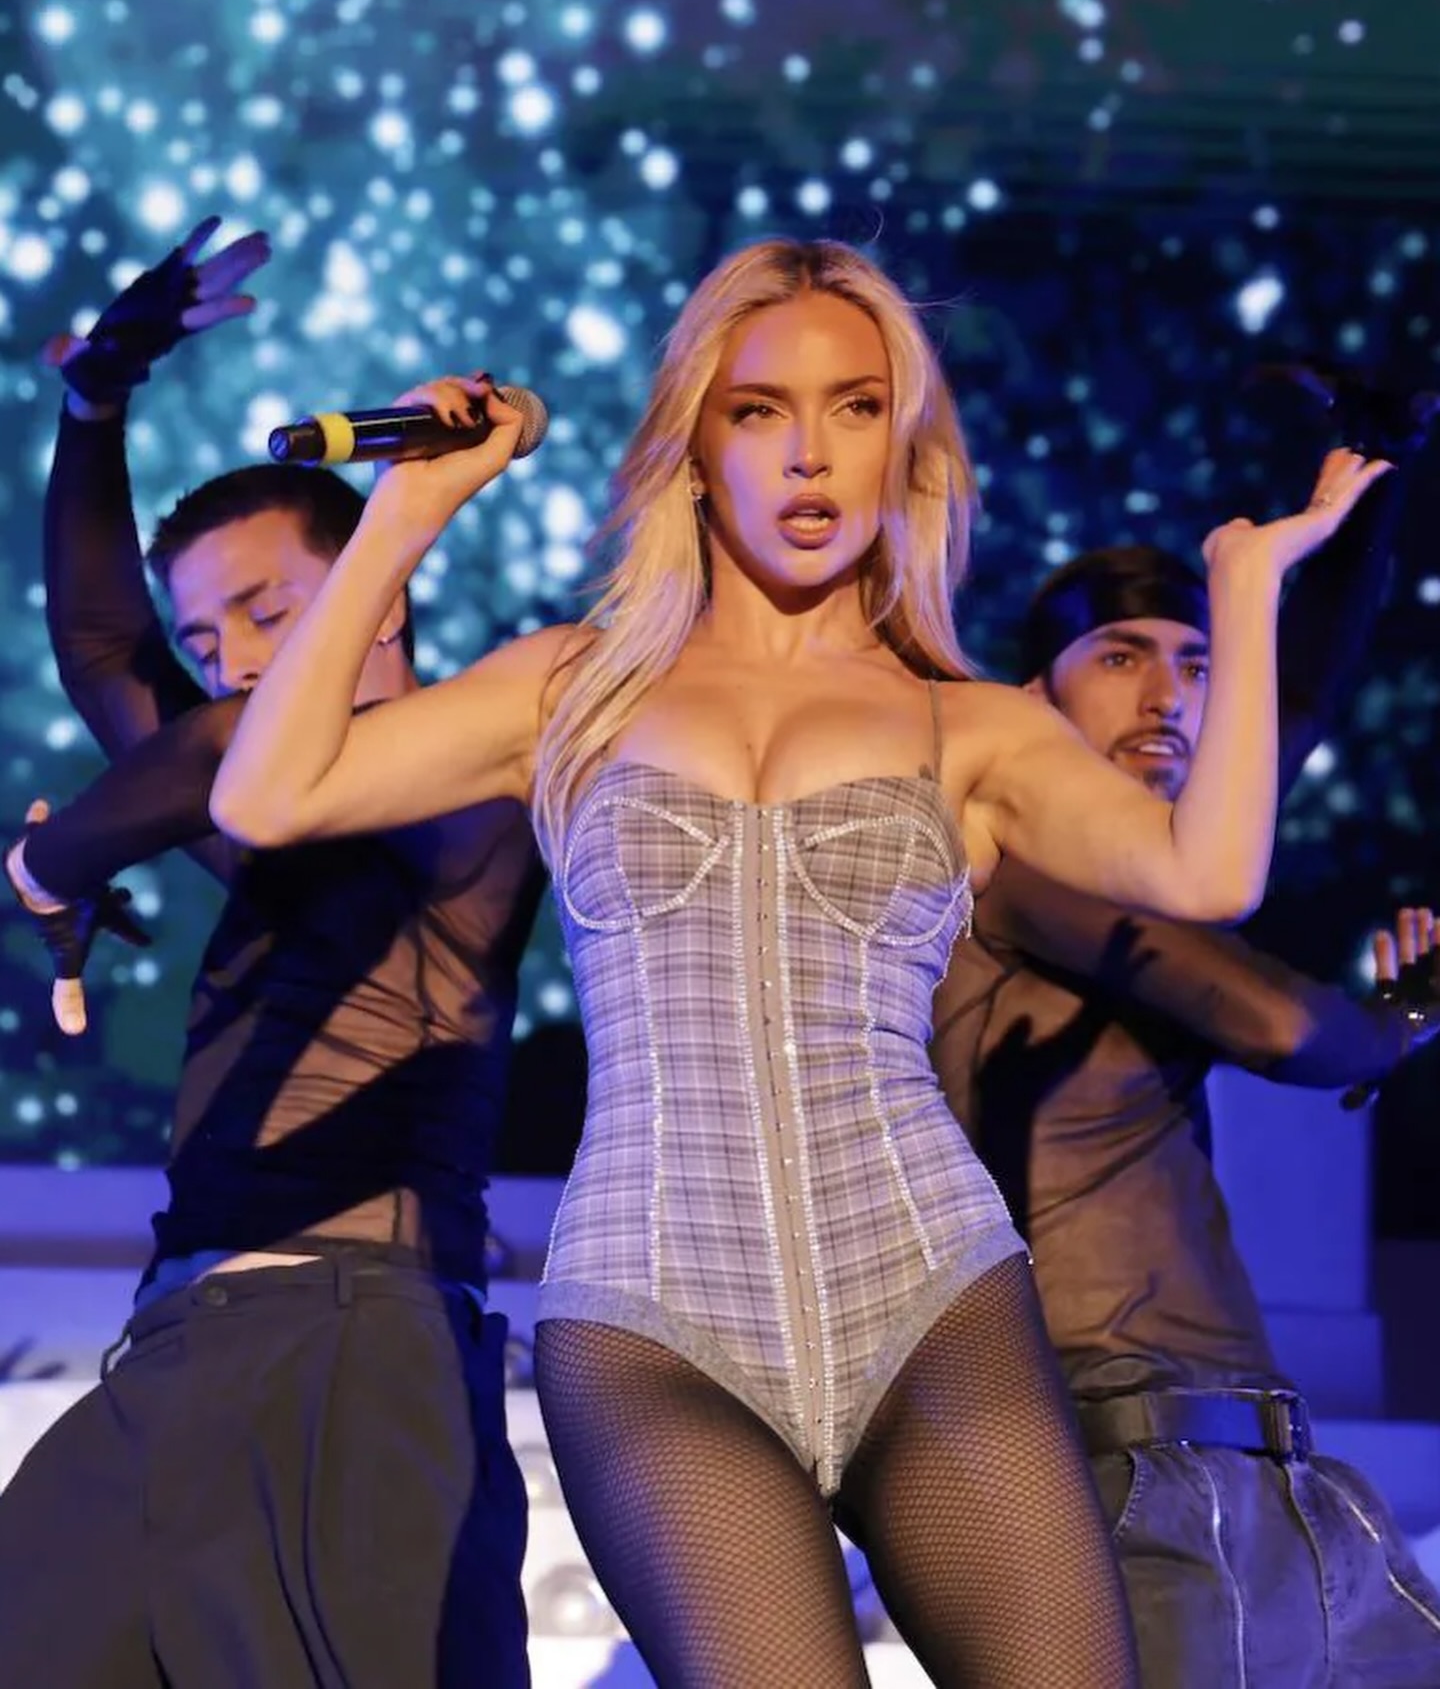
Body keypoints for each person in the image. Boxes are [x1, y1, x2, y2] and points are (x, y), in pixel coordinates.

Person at [209, 236, 1390, 1688]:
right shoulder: (573, 685)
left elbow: (1210, 875)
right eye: (760, 408)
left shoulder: (969, 723)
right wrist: (407, 511)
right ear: (697, 447)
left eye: (857, 406)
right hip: (655, 1313)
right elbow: (266, 793)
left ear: (905, 446)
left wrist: (1245, 590)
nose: (811, 454)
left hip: (932, 1293)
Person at [0, 220, 543, 1688]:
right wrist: (92, 402)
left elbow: (206, 744)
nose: (236, 659)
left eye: (269, 612)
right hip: (192, 1338)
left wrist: (44, 866)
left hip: (344, 1336)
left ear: (379, 589)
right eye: (207, 636)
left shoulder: (474, 773)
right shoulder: (266, 798)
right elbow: (108, 661)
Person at [930, 516, 1440, 1686]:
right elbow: (1285, 1028)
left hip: (1251, 1469)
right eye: (1120, 657)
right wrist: (1401, 1024)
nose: (1167, 696)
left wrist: (1376, 488)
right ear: (1032, 702)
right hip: (1136, 1463)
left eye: (1198, 664)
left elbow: (1293, 708)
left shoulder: (1151, 868)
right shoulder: (1024, 866)